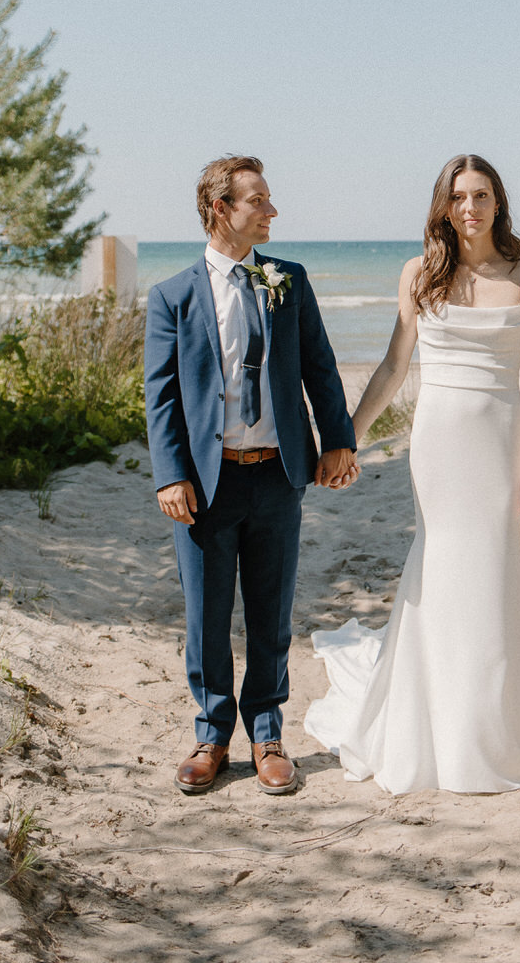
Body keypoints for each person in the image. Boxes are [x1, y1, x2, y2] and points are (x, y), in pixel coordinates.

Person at [304, 153, 520, 794]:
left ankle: (485, 733)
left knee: (492, 578)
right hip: (438, 446)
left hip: (501, 445)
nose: (470, 207)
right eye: (458, 197)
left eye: (482, 195)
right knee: (441, 573)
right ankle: (431, 727)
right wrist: (344, 443)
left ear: (499, 203)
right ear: (444, 207)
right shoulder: (420, 274)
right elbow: (392, 369)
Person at [145, 155, 359, 796]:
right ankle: (211, 737)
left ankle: (268, 735)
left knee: (271, 615)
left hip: (277, 476)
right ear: (222, 211)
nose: (272, 211)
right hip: (206, 486)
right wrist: (169, 475)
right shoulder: (173, 297)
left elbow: (319, 368)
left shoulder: (288, 282)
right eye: (258, 201)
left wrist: (337, 443)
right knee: (206, 616)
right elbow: (161, 398)